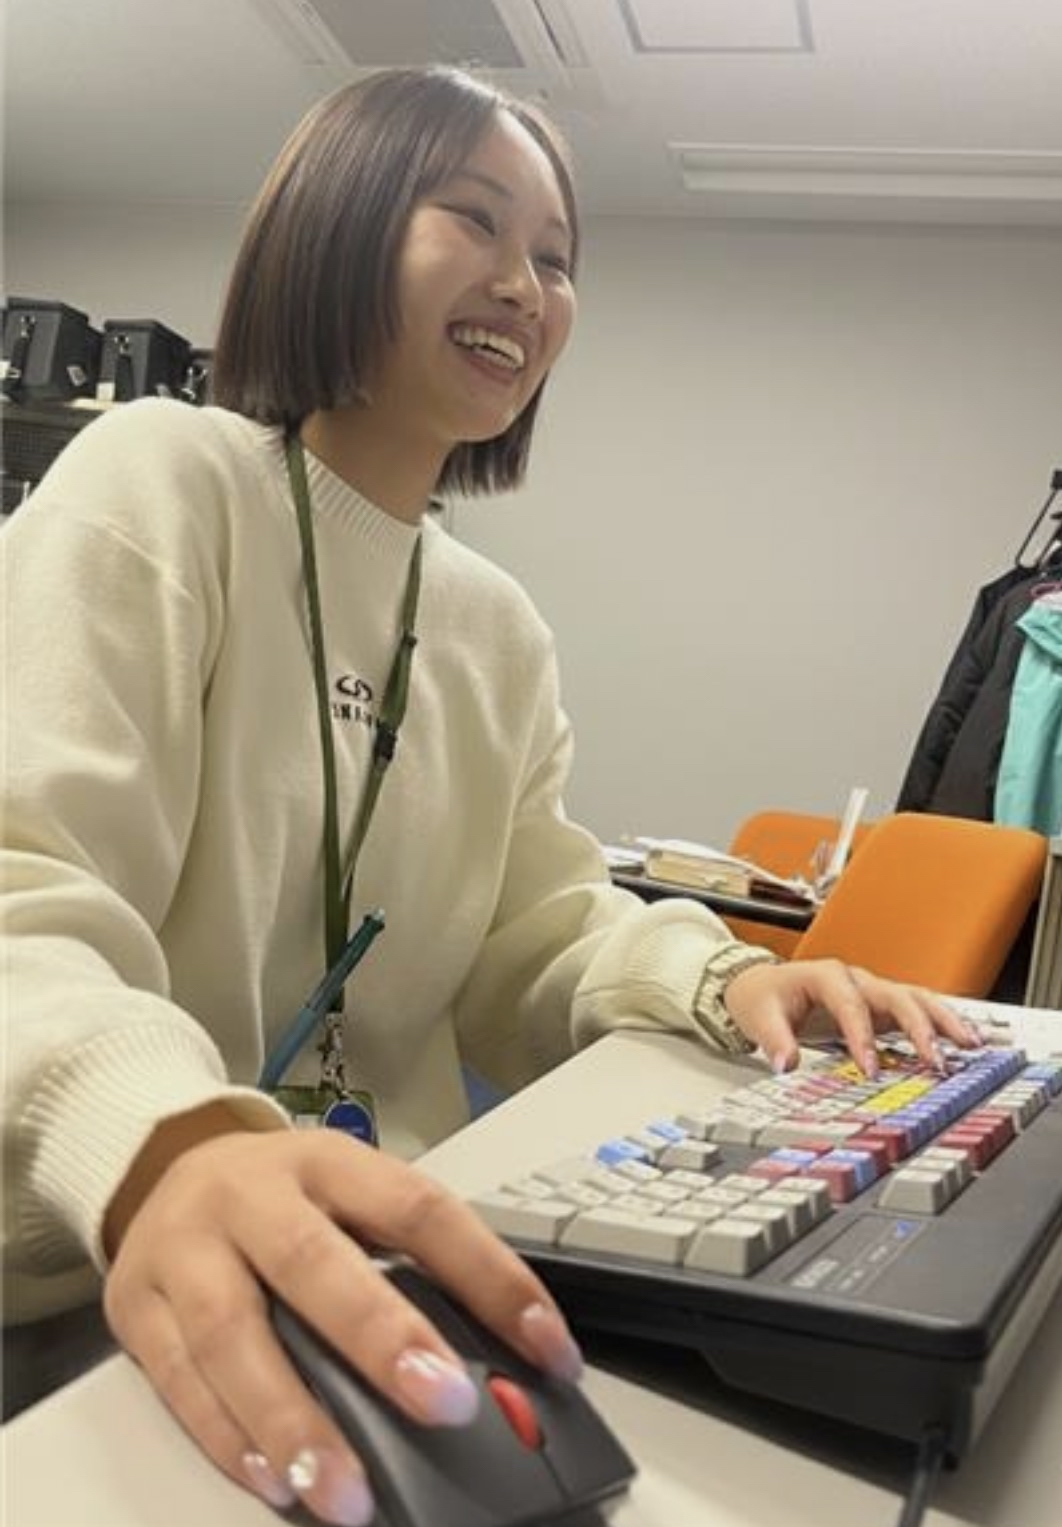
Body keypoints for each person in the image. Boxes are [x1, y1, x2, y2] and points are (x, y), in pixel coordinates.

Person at [2, 64, 979, 1527]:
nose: (526, 285)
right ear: (334, 227)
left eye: (557, 258)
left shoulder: (494, 626)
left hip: (382, 1248)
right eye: (473, 220)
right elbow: (23, 888)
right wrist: (163, 1144)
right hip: (88, 1261)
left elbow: (536, 938)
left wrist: (725, 981)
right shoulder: (162, 479)